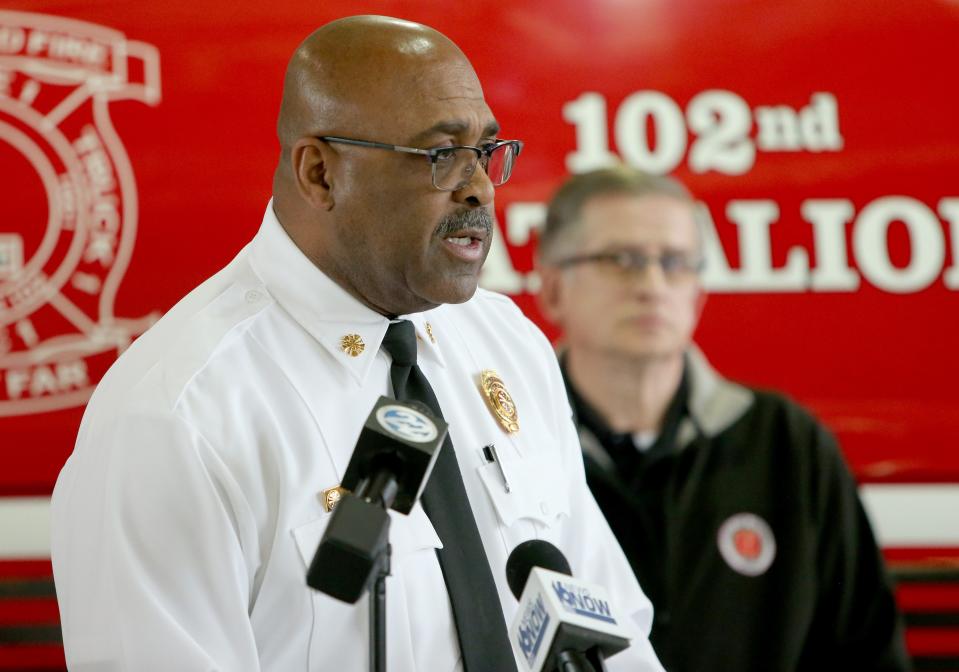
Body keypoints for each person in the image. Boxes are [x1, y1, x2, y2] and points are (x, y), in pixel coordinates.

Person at [49, 16, 663, 672]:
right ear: (320, 174)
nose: (479, 186)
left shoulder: (508, 343)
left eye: (484, 151)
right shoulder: (178, 414)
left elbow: (612, 629)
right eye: (439, 154)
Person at [535, 165, 911, 672]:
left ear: (699, 292)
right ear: (553, 289)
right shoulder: (514, 442)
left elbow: (868, 653)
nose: (651, 284)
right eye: (620, 260)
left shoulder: (787, 444)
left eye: (675, 262)